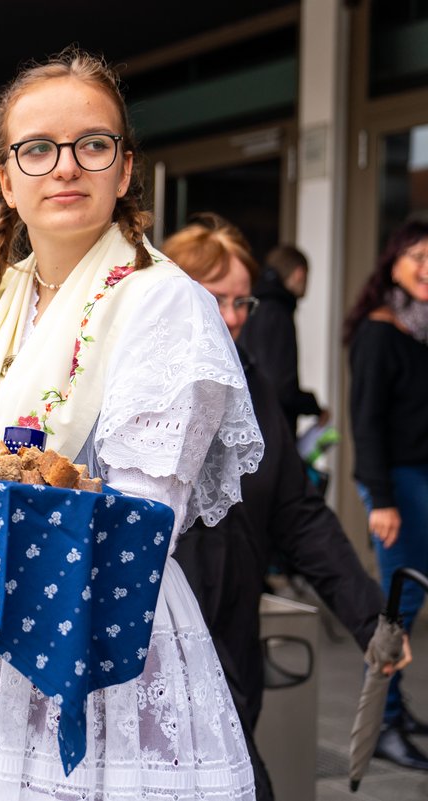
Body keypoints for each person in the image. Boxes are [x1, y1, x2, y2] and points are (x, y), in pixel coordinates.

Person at [0, 49, 264, 799]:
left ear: (124, 169)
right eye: (37, 149)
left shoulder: (167, 304)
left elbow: (138, 520)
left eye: (91, 145)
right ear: (6, 179)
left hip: (99, 640)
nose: (65, 167)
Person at [164, 214, 412, 794]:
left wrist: (368, 616)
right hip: (156, 647)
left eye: (242, 303)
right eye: (214, 300)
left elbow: (297, 511)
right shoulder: (131, 384)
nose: (231, 318)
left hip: (231, 638)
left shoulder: (250, 385)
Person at [343, 218, 428, 769]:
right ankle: (382, 724)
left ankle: (396, 709)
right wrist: (383, 499)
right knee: (400, 606)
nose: (426, 269)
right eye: (417, 256)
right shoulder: (379, 330)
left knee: (410, 600)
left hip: (419, 478)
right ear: (392, 262)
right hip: (397, 482)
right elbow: (366, 423)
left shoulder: (420, 328)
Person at [238, 244, 327, 435]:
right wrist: (313, 406)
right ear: (299, 273)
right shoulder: (277, 312)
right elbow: (280, 387)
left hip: (249, 422)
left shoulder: (253, 304)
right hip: (271, 429)